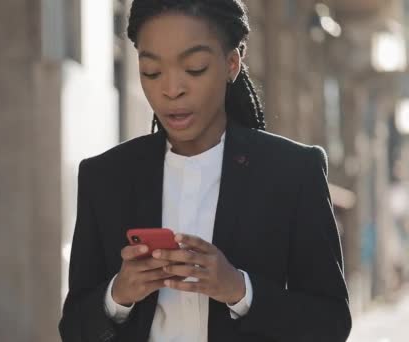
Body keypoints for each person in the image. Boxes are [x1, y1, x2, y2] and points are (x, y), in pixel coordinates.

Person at [59, 0, 352, 341]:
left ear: (231, 63)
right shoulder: (105, 177)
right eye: (151, 71)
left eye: (194, 68)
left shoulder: (292, 172)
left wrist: (239, 290)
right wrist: (118, 295)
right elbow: (74, 329)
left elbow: (330, 324)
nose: (171, 89)